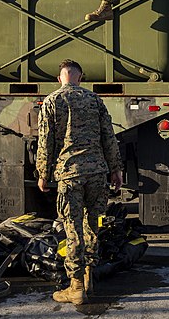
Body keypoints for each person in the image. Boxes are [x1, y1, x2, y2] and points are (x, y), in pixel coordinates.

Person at [36, 59, 123, 305]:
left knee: (73, 229)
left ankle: (75, 287)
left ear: (59, 78)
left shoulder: (52, 101)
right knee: (92, 225)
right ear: (81, 78)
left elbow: (46, 141)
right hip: (97, 173)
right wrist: (115, 169)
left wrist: (43, 173)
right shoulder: (95, 101)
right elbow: (109, 136)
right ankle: (88, 279)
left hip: (69, 175)